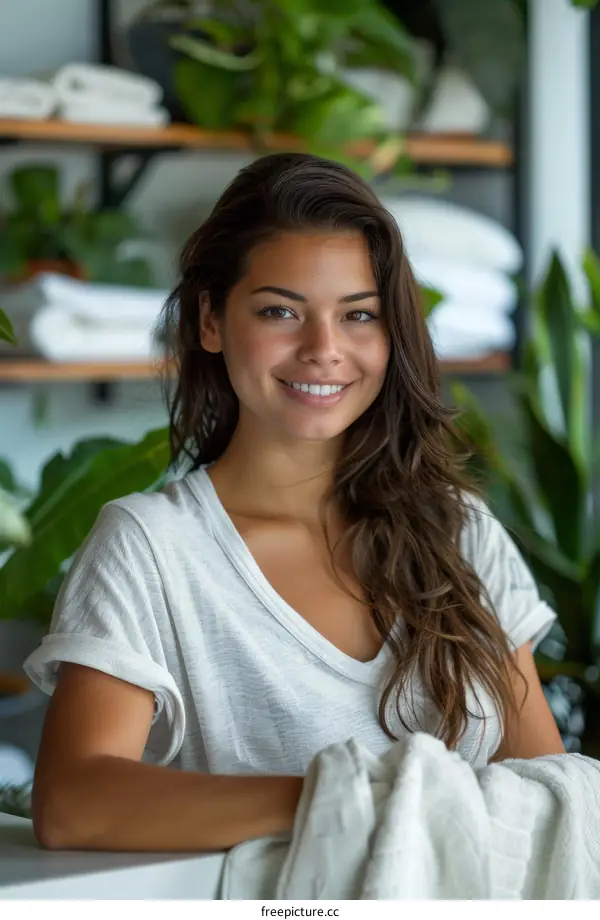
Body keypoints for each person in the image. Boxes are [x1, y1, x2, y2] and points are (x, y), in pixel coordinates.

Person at [24, 152, 564, 854]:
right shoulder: (152, 547)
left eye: (359, 315)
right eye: (280, 311)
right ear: (211, 320)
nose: (324, 349)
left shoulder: (461, 530)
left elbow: (551, 797)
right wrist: (359, 796)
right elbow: (73, 803)